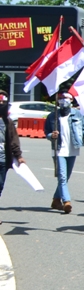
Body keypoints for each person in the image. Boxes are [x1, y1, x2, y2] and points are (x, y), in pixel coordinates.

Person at [45, 92, 84, 214]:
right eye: (60, 98)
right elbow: (46, 132)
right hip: (58, 149)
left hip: (73, 149)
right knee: (62, 177)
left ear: (72, 100)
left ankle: (56, 200)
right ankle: (66, 201)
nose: (63, 100)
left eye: (65, 98)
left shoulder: (78, 114)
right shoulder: (52, 116)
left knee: (65, 177)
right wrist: (52, 135)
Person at [0, 91, 26, 225]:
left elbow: (13, 140)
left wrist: (19, 156)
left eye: (3, 102)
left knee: (0, 185)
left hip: (3, 159)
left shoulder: (8, 122)